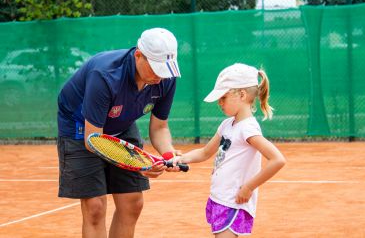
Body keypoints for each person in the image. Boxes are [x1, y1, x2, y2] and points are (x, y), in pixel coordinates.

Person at [57, 27, 182, 238]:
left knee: (132, 203)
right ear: (138, 56)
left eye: (165, 69)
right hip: (82, 128)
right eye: (156, 68)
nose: (160, 77)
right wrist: (137, 164)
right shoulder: (105, 75)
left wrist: (169, 155)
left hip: (121, 124)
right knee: (95, 207)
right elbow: (93, 139)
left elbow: (160, 127)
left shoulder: (166, 78)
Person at [173, 63, 287, 237]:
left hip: (233, 203)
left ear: (241, 95)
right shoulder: (227, 124)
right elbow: (205, 152)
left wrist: (249, 187)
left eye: (223, 97)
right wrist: (181, 159)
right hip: (219, 198)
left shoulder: (247, 129)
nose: (219, 102)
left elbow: (278, 159)